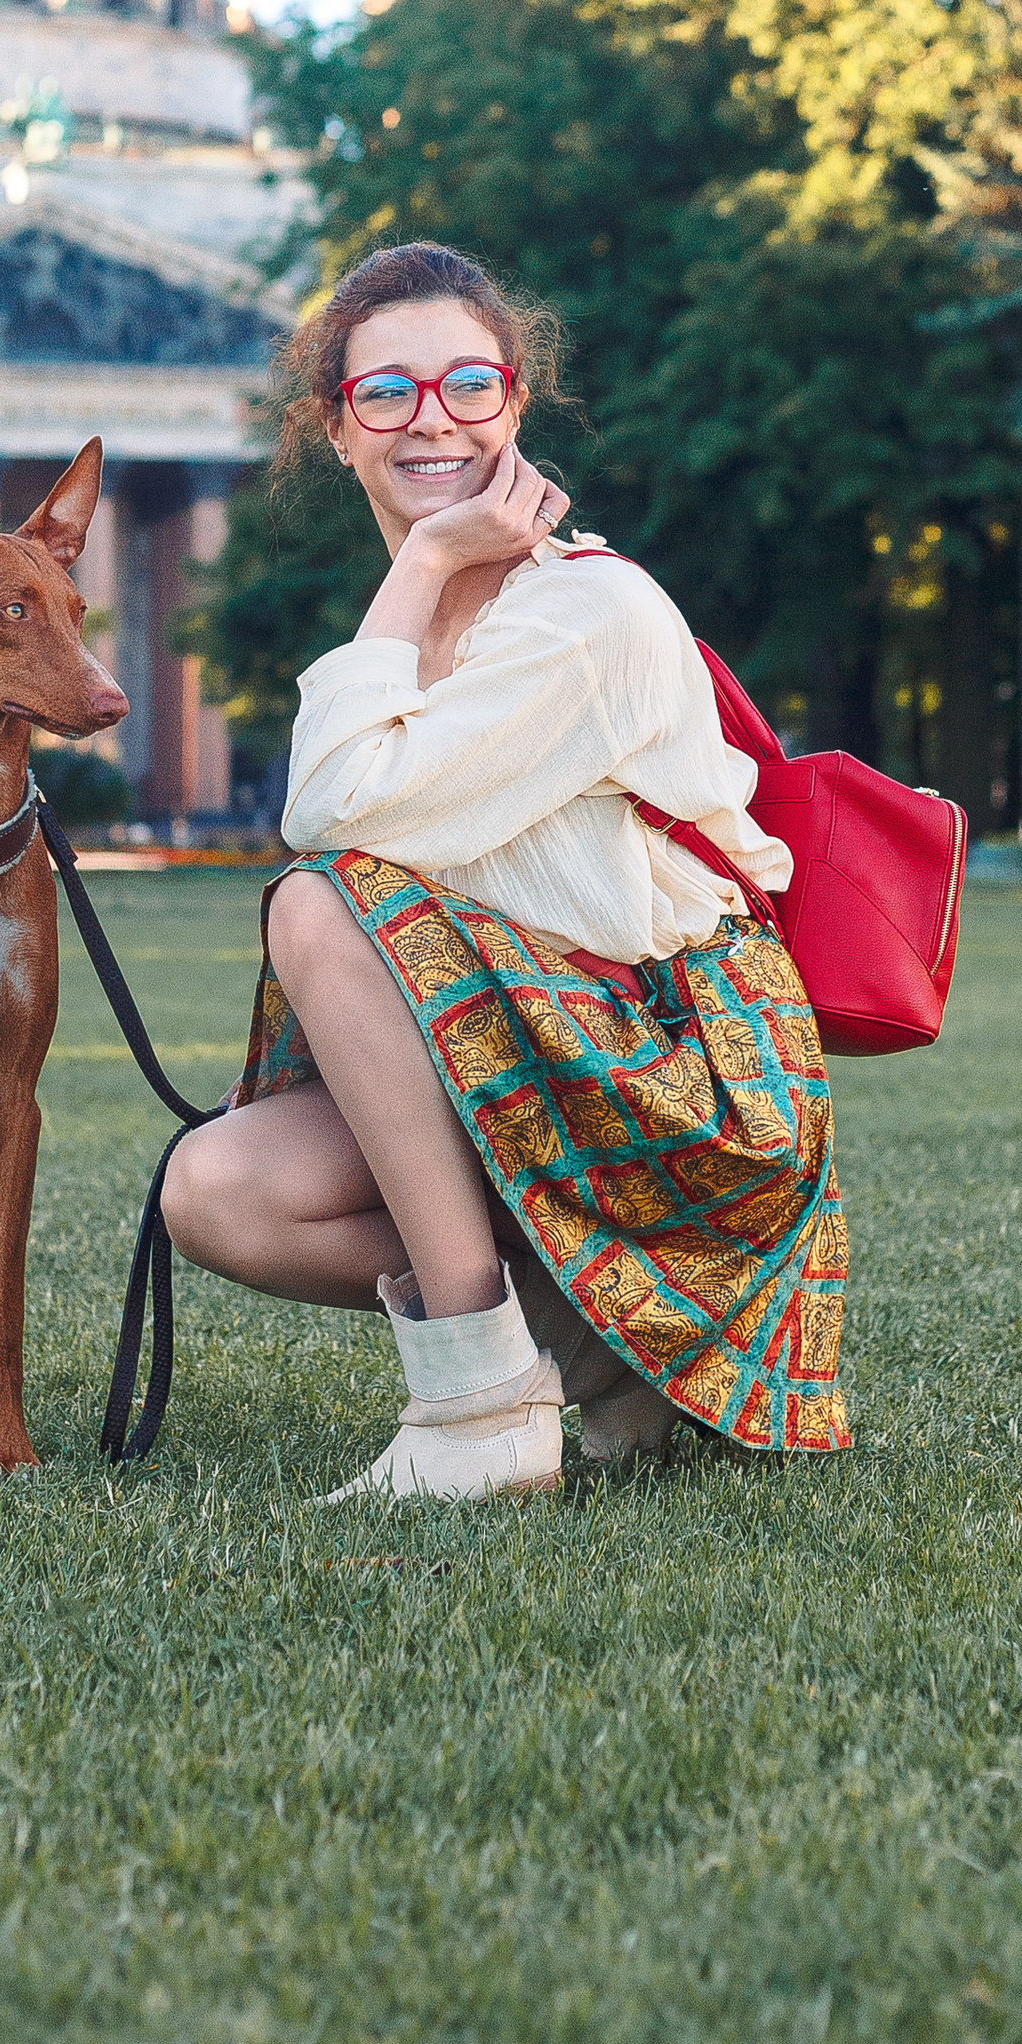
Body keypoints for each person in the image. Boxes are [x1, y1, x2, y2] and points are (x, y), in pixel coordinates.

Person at [162, 239, 850, 1501]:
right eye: (387, 394)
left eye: (468, 386)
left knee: (321, 908)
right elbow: (353, 806)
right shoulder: (413, 635)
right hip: (542, 1061)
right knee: (215, 1190)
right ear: (338, 427)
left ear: (514, 405)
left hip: (683, 1080)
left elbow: (326, 821)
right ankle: (604, 1356)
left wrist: (421, 561)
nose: (433, 421)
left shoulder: (586, 614)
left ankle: (480, 1409)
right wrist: (421, 582)